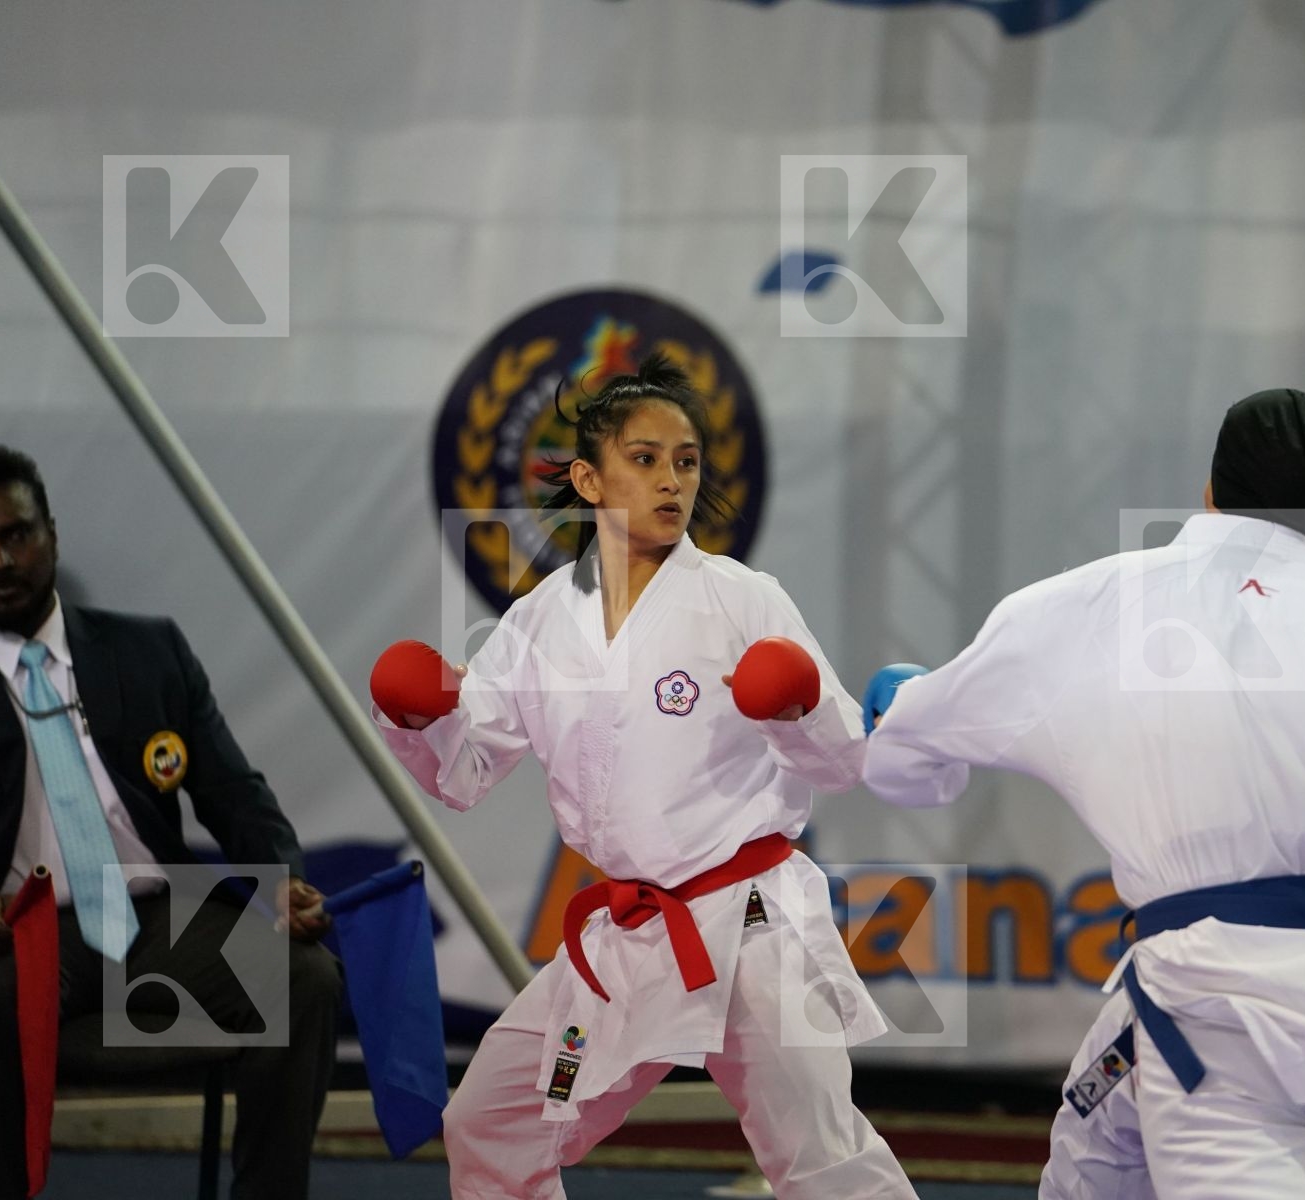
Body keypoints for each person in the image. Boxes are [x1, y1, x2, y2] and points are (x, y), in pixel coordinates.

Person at [862, 389, 1305, 1199]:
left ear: (1210, 489)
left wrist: (899, 710)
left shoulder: (1093, 600)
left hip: (1230, 1011)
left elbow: (908, 734)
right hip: (1302, 983)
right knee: (1088, 1166)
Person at [376, 355, 916, 1200]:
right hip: (631, 931)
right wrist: (426, 717)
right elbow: (466, 774)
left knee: (821, 1156)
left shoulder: (743, 600)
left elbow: (846, 760)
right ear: (589, 479)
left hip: (752, 921)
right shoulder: (542, 619)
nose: (672, 479)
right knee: (489, 1122)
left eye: (687, 460)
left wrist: (800, 703)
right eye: (645, 459)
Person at [0, 445, 341, 1200]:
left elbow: (235, 793)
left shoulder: (146, 651)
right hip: (18, 933)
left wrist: (282, 880)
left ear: (52, 533)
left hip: (155, 918)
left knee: (303, 977)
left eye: (16, 534)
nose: (0, 560)